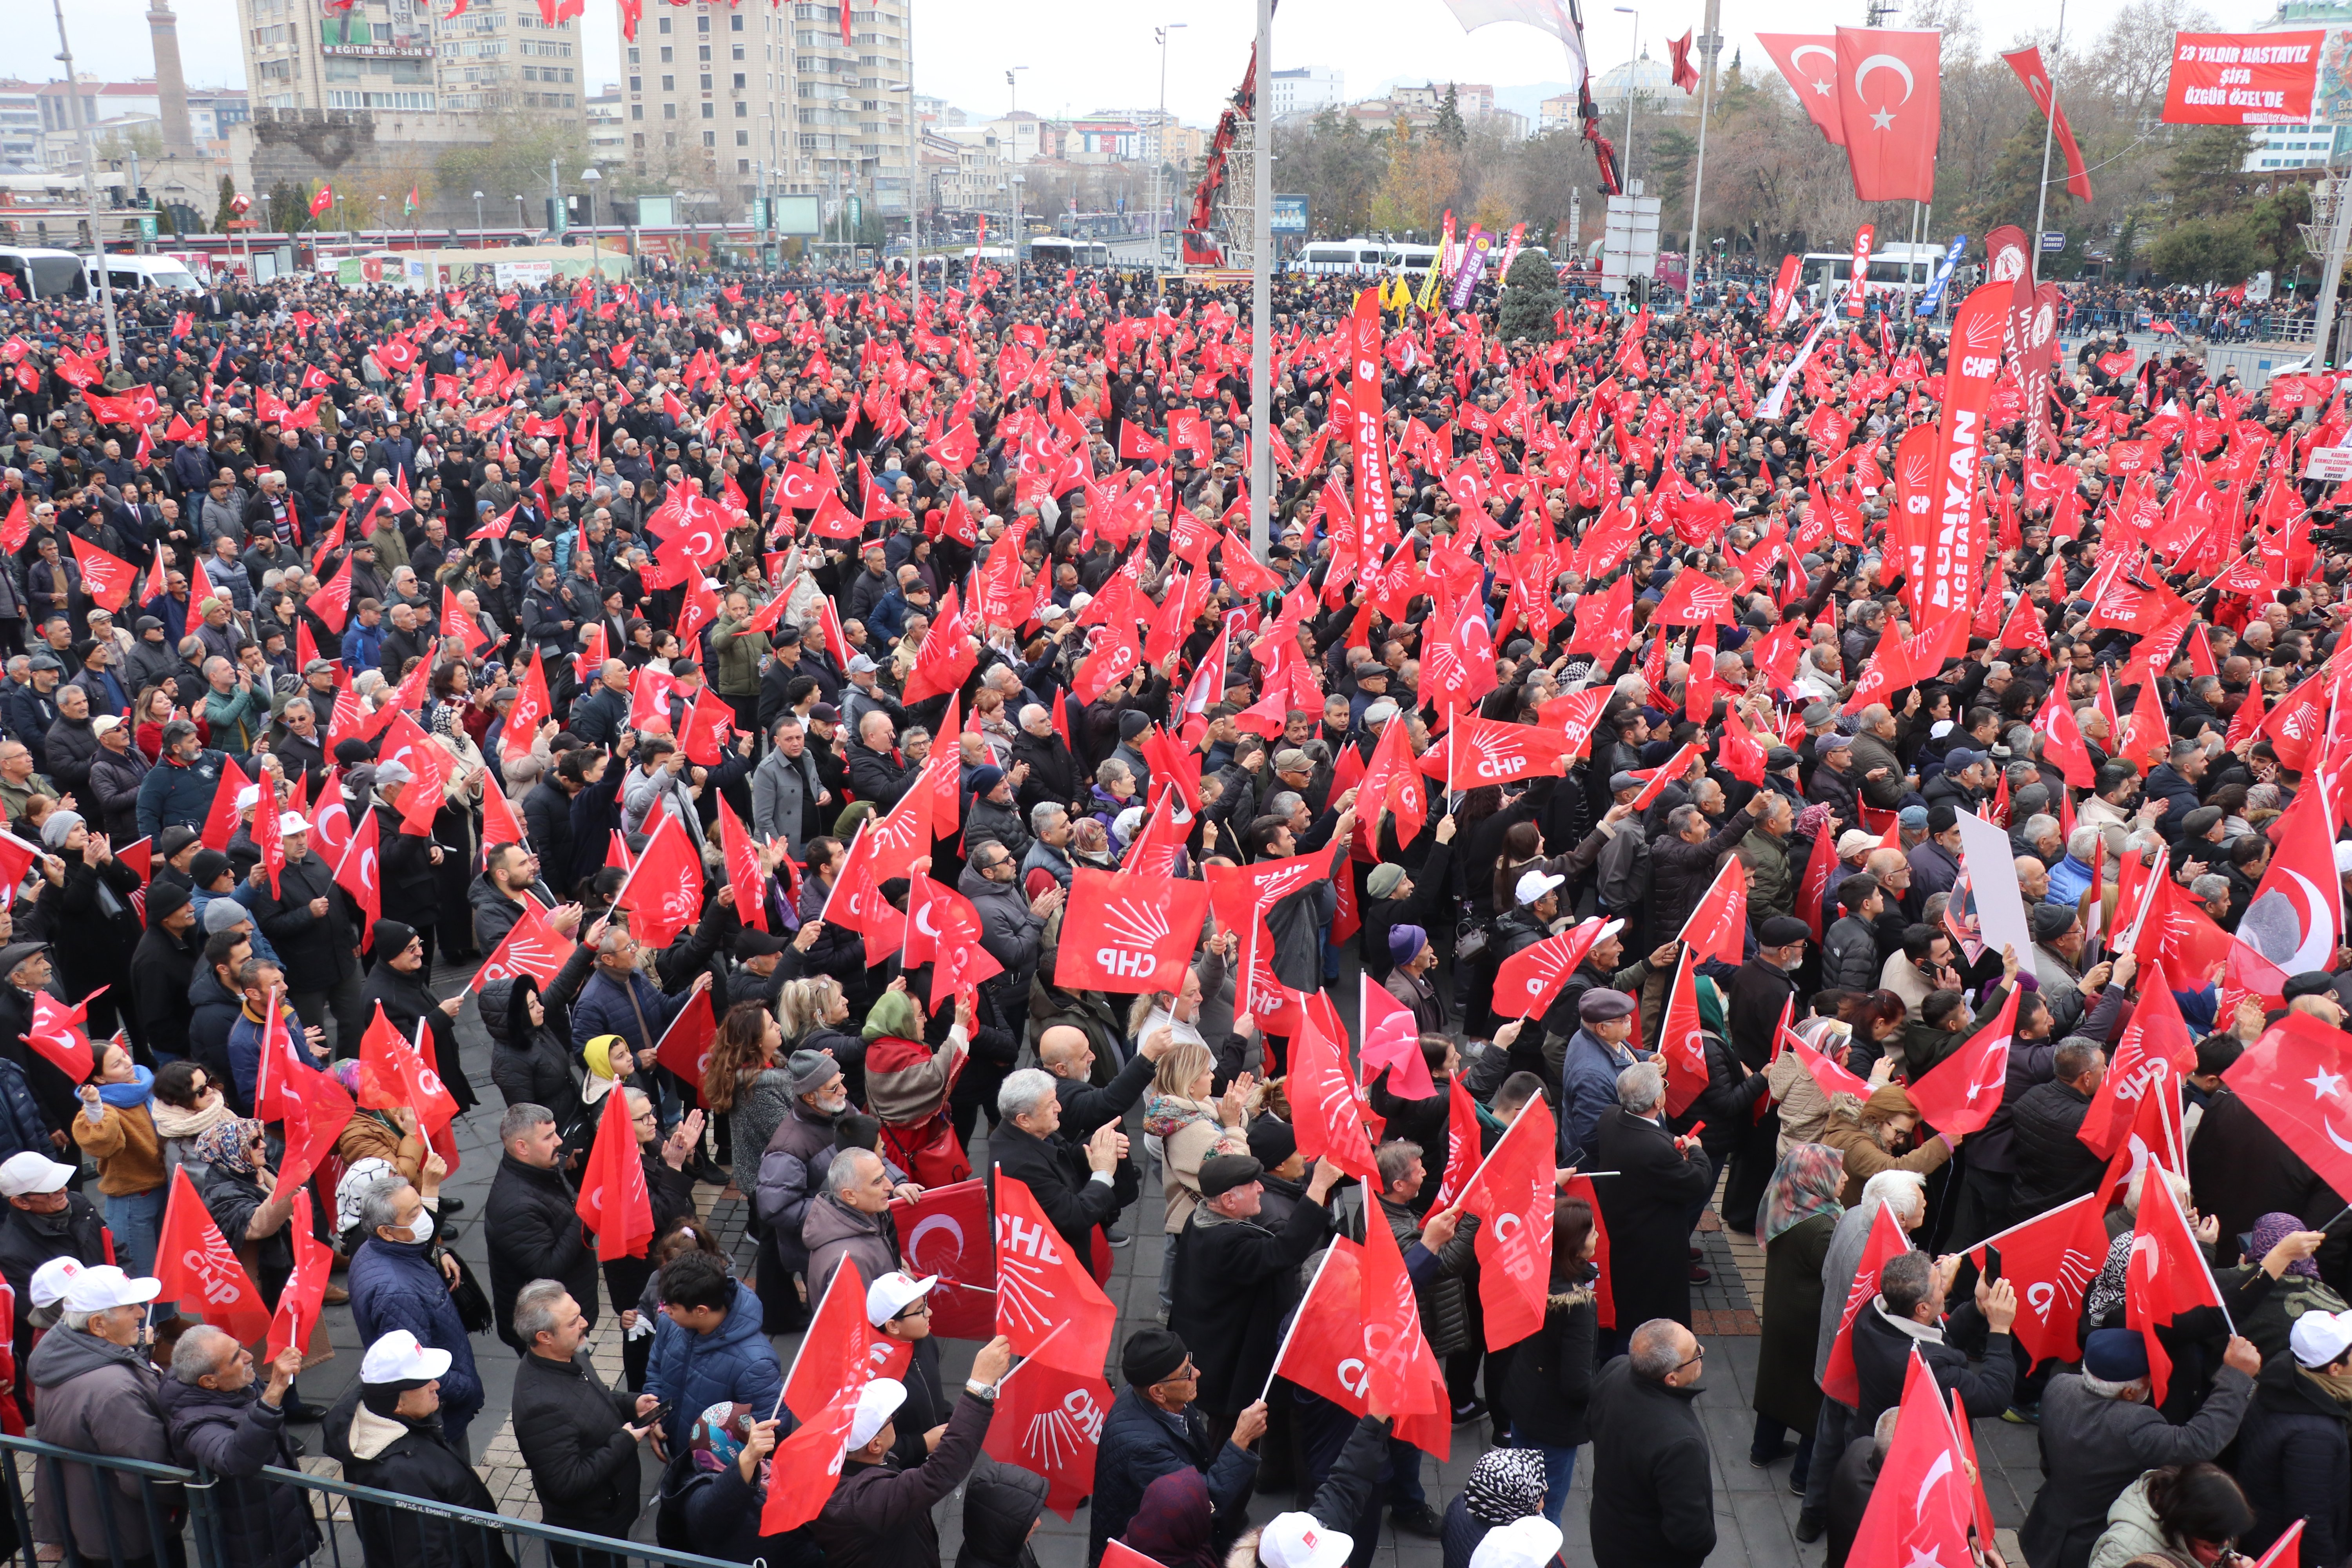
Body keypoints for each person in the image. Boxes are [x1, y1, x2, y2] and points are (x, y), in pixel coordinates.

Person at [2017, 1327, 2261, 1568]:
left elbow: (2047, 1461)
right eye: (2149, 1376)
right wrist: (2236, 1377)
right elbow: (2199, 1442)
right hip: (2089, 1546)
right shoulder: (2134, 1425)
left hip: (2044, 1529)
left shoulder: (2059, 1385)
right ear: (2129, 1392)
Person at [1168, 1152, 1345, 1442]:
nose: (1262, 1188)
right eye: (1253, 1184)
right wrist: (1318, 1187)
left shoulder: (1201, 1218)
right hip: (1229, 1361)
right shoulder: (1226, 1244)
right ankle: (1224, 1479)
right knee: (1231, 1434)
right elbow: (1284, 1252)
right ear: (1228, 1201)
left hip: (1214, 1342)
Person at [809, 1336, 1015, 1568]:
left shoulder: (837, 1471)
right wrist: (980, 1385)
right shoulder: (867, 1500)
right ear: (875, 1445)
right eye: (890, 1418)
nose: (895, 1419)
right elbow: (942, 1473)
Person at [321, 1329, 513, 1568]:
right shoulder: (400, 1474)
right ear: (398, 1403)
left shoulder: (399, 1423)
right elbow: (422, 1557)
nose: (436, 1384)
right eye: (424, 1382)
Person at [27, 1264, 176, 1567]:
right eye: (130, 1307)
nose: (140, 1313)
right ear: (98, 1325)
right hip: (128, 1534)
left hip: (89, 1523)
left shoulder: (62, 1354)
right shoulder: (114, 1390)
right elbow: (147, 1477)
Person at [508, 1279, 661, 1568]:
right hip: (590, 1537)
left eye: (579, 1314)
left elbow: (592, 1399)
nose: (585, 1324)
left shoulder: (570, 1354)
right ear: (545, 1337)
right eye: (573, 1322)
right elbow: (566, 1483)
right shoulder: (541, 1406)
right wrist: (625, 1441)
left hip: (609, 1517)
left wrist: (631, 1404)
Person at [1090, 1325, 1267, 1565]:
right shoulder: (1142, 1448)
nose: (1197, 1373)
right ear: (1158, 1392)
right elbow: (1204, 1500)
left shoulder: (1163, 1398)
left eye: (1190, 1363)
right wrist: (1240, 1440)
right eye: (1186, 1373)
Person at [347, 1177, 486, 1457]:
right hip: (439, 1417)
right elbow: (415, 1371)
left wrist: (438, 1252)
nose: (423, 1217)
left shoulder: (376, 1250)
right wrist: (467, 1388)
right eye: (413, 1213)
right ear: (386, 1231)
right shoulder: (398, 1294)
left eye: (420, 1206)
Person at [159, 1330, 319, 1568]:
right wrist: (274, 1392)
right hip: (255, 1541)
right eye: (236, 1357)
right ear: (209, 1381)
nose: (249, 1356)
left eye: (241, 1346)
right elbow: (235, 1460)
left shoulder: (229, 1385)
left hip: (274, 1521)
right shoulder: (194, 1422)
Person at [1590, 1064, 1712, 1333]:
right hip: (1652, 1243)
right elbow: (1697, 1182)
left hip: (1622, 1226)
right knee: (1653, 1308)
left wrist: (1670, 1146)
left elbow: (1651, 1144)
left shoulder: (1610, 1117)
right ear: (1659, 1101)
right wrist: (1697, 1151)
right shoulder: (1655, 1150)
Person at [1584, 1318, 1715, 1568]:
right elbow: (1691, 1535)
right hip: (1649, 1556)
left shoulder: (1614, 1369)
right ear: (1672, 1379)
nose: (1703, 1351)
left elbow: (1589, 1425)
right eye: (1696, 1352)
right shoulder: (1680, 1444)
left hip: (1607, 1533)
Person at [1750, 1144, 1843, 1494]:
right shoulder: (1821, 1226)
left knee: (1777, 1380)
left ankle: (1764, 1449)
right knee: (1812, 1397)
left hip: (1781, 1310)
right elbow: (1836, 1273)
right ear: (1817, 1178)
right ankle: (1803, 1477)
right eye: (1837, 1171)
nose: (1844, 1178)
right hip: (1809, 1320)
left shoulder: (1786, 1200)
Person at [1504, 1194, 1601, 1523]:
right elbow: (1576, 1384)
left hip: (1524, 1397)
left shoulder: (1535, 1272)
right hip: (1555, 1420)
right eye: (1591, 1233)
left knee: (1519, 1494)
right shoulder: (1579, 1304)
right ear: (1574, 1246)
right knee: (1544, 1515)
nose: (1598, 1236)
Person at [2233, 1307, 2352, 1568]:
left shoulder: (2284, 1377)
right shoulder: (2314, 1436)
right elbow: (2309, 1522)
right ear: (2334, 1369)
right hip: (2289, 1551)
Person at [483, 1103, 599, 1354]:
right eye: (548, 1137)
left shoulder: (541, 1170)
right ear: (522, 1147)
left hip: (563, 1320)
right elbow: (547, 1269)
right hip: (548, 1334)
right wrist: (588, 1213)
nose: (559, 1142)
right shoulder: (514, 1206)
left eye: (556, 1132)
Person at [642, 1250, 782, 1449]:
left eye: (672, 1306)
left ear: (701, 1311)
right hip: (676, 1451)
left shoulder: (756, 1364)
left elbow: (770, 1433)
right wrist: (654, 1416)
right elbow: (656, 1368)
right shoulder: (670, 1324)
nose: (665, 1311)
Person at [2089, 1462, 2256, 1568]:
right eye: (2216, 1541)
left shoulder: (2206, 1534)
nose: (2225, 1545)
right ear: (2191, 1527)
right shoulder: (2124, 1550)